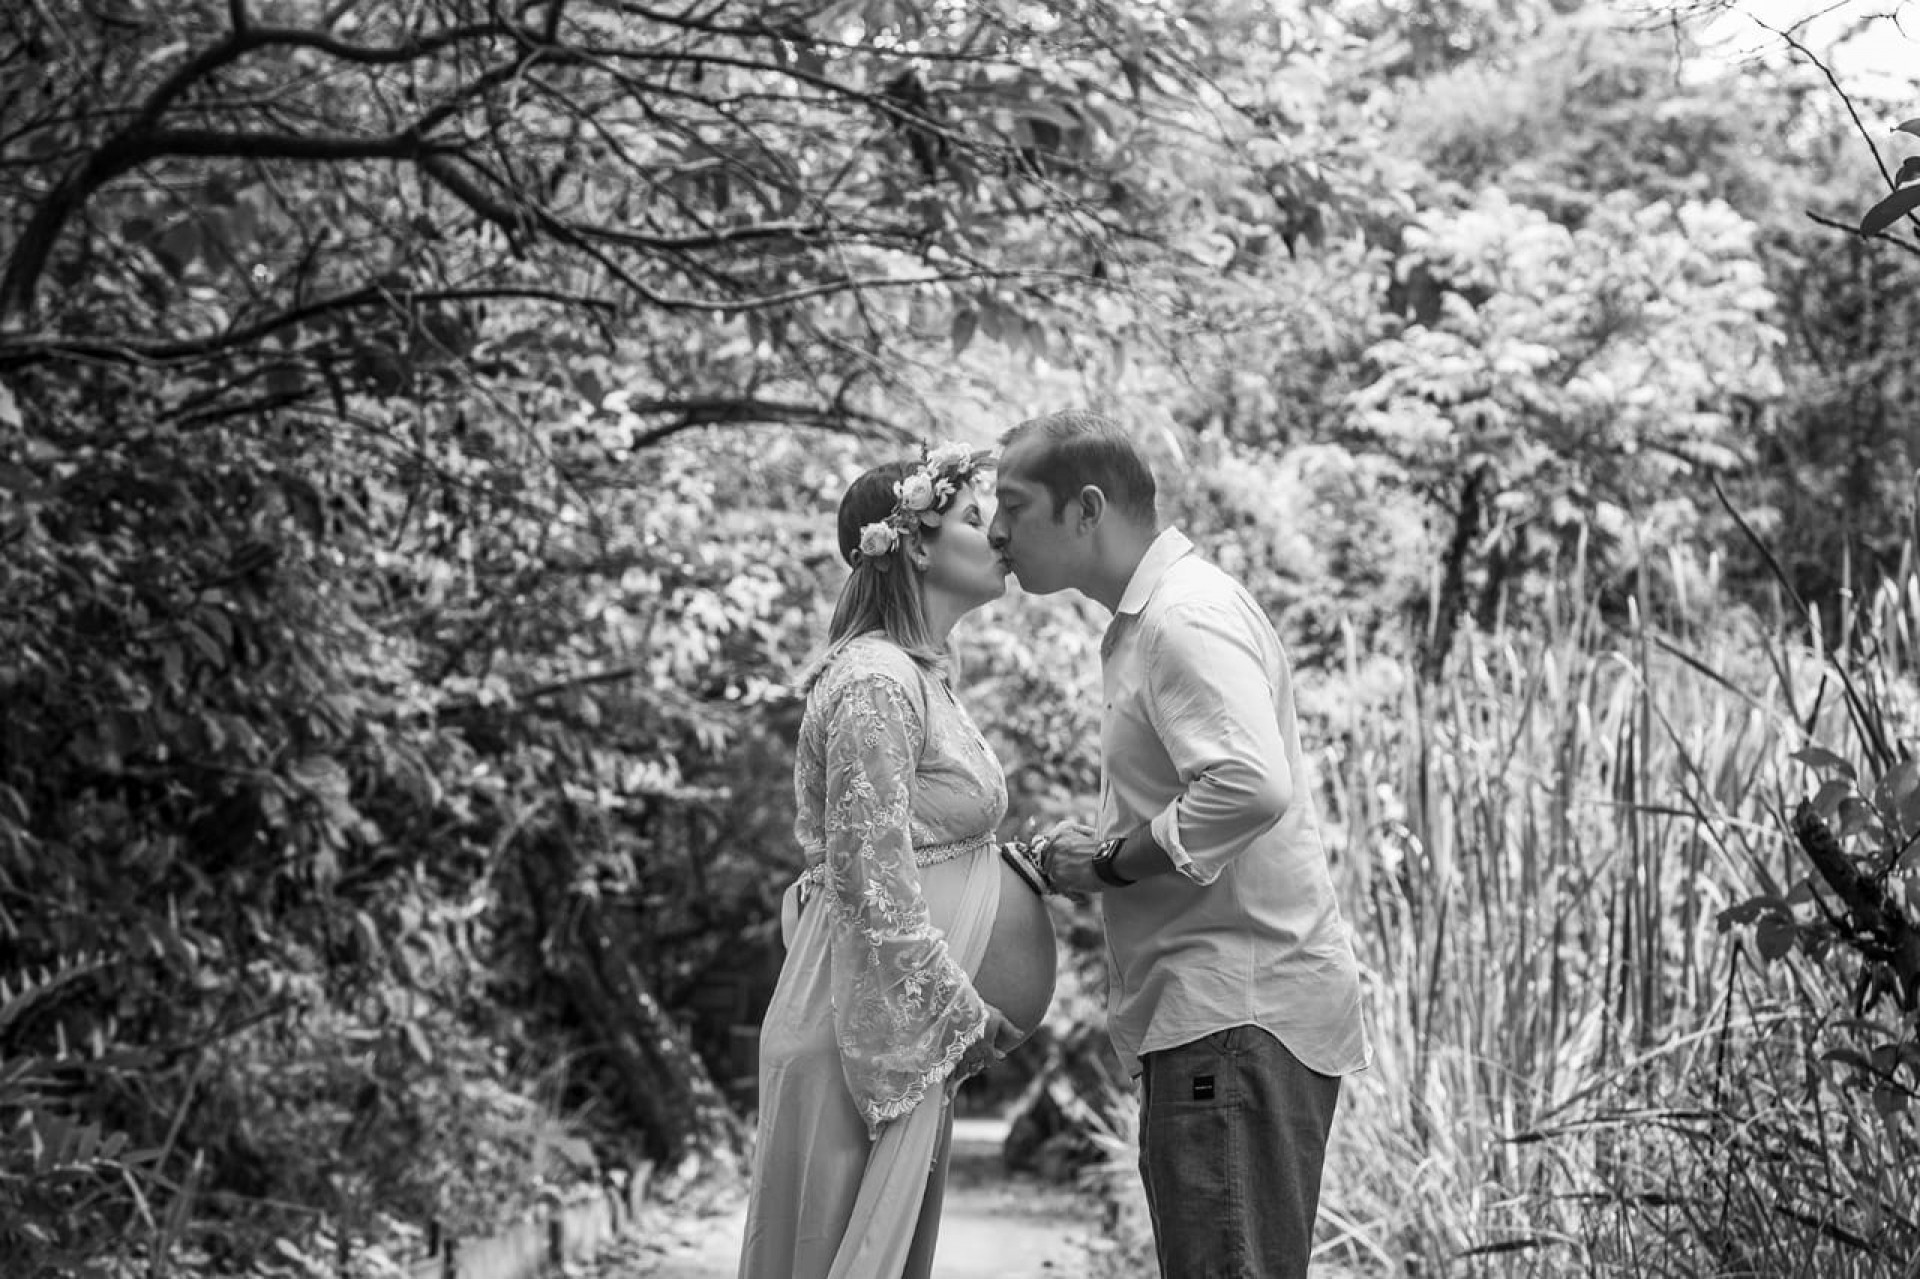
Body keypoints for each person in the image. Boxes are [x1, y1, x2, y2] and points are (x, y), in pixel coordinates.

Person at [988, 410, 1369, 1279]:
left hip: (1234, 1013)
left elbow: (1251, 784)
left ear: (1087, 508)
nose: (997, 530)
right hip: (1216, 1018)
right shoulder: (1152, 621)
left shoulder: (1181, 617)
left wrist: (1108, 862)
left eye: (1014, 504)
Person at [738, 442, 1058, 1279]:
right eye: (976, 518)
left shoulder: (916, 676)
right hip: (857, 1035)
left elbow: (916, 842)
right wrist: (957, 1013)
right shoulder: (877, 677)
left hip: (893, 1032)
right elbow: (868, 876)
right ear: (915, 543)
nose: (1000, 535)